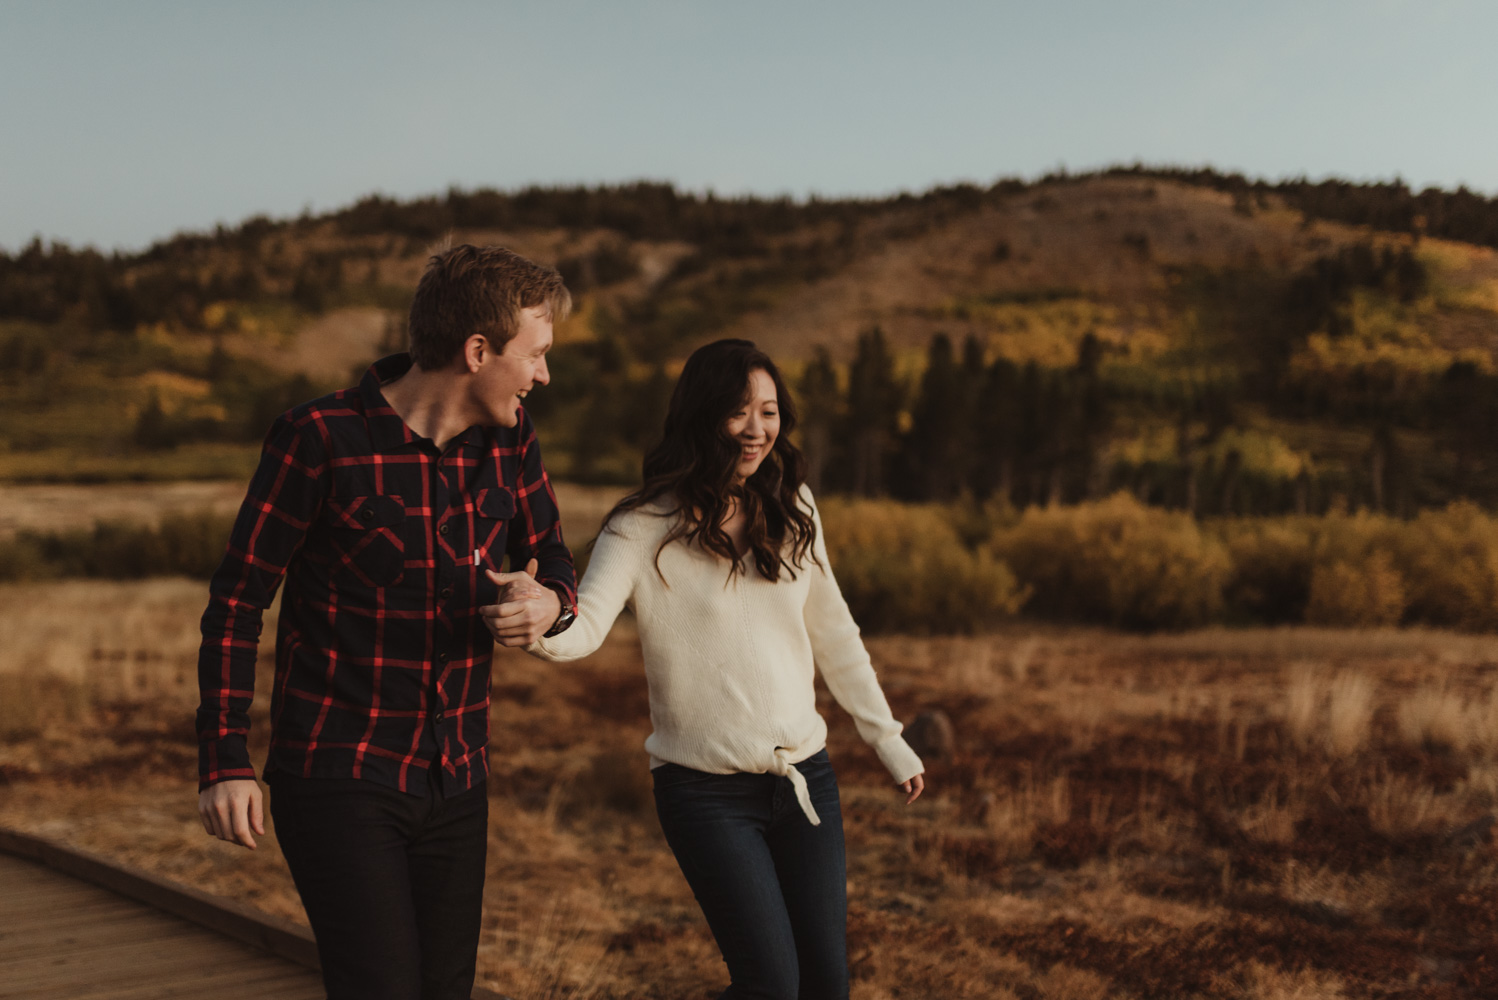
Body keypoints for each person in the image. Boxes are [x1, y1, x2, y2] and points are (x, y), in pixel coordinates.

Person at [195, 244, 579, 1000]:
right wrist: (224, 760)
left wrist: (548, 605)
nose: (543, 375)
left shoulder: (513, 443)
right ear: (477, 351)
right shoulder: (318, 438)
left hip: (459, 775)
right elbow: (238, 602)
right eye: (535, 355)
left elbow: (557, 564)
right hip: (340, 770)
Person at [506, 338, 926, 1000]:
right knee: (770, 985)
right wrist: (536, 621)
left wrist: (889, 740)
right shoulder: (641, 526)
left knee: (826, 986)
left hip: (804, 782)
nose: (758, 430)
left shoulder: (794, 507)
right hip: (705, 795)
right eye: (739, 412)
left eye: (769, 411)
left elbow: (835, 633)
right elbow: (583, 628)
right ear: (703, 416)